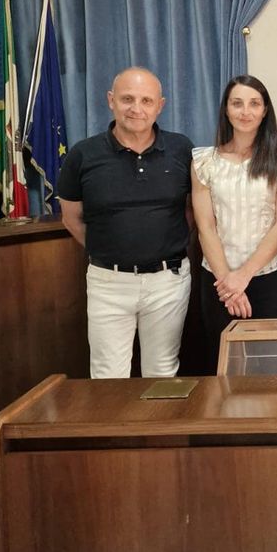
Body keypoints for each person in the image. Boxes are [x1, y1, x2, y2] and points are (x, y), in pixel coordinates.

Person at [58, 67, 193, 378]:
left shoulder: (182, 149)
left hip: (168, 282)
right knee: (108, 376)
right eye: (127, 99)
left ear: (160, 105)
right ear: (111, 100)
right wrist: (111, 251)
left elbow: (191, 211)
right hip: (108, 282)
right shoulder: (83, 154)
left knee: (162, 373)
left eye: (146, 100)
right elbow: (71, 218)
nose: (136, 108)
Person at [191, 75, 277, 372]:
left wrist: (243, 277)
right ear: (226, 109)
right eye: (237, 103)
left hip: (268, 277)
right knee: (225, 366)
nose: (245, 111)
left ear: (265, 111)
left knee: (271, 368)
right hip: (218, 280)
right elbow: (205, 227)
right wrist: (229, 284)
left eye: (254, 104)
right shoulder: (204, 161)